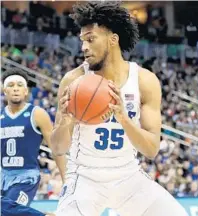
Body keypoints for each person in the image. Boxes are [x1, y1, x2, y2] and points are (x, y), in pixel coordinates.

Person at [51, 2, 188, 216]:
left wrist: (123, 118)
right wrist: (65, 121)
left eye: (90, 39)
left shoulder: (144, 80)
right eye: (82, 41)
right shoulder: (73, 80)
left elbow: (151, 149)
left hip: (128, 177)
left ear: (113, 39)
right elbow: (58, 147)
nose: (84, 47)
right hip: (85, 178)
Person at [1, 68, 67, 207]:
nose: (15, 89)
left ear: (26, 91)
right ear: (4, 90)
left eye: (20, 85)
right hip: (3, 176)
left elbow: (55, 149)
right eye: (11, 85)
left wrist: (67, 181)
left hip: (26, 177)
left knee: (9, 208)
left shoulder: (37, 114)